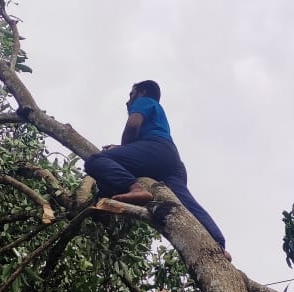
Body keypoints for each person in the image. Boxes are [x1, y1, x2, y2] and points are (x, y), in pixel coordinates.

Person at [84, 80, 230, 259]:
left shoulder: (144, 101)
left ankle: (136, 188)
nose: (128, 101)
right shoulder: (157, 111)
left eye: (131, 94)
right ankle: (219, 244)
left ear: (142, 91)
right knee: (185, 202)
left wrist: (122, 150)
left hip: (154, 149)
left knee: (95, 161)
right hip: (171, 160)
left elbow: (133, 125)